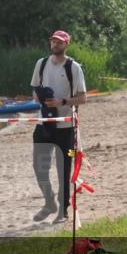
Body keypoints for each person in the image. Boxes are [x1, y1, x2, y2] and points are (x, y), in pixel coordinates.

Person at [31, 31, 87, 224]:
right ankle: (49, 202)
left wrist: (62, 101)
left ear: (67, 44)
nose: (55, 44)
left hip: (66, 125)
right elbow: (35, 90)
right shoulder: (41, 63)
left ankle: (63, 210)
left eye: (59, 42)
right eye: (53, 41)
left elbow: (83, 97)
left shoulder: (74, 67)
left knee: (63, 169)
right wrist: (42, 98)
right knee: (39, 167)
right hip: (43, 122)